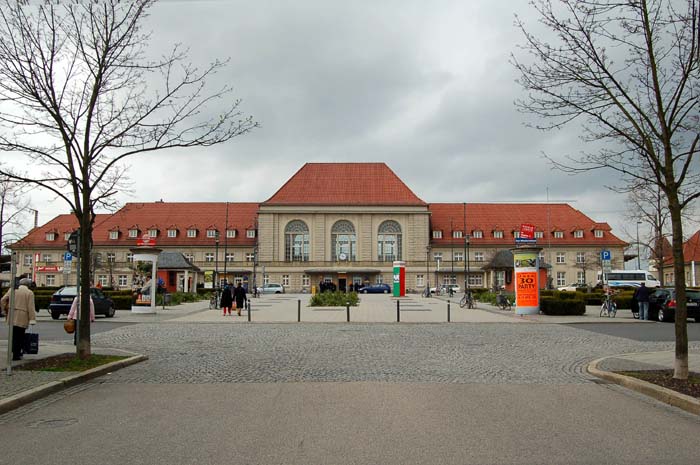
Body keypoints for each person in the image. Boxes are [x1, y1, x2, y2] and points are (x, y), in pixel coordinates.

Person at [1, 278, 37, 361]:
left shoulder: (12, 290)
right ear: (28, 285)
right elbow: (31, 307)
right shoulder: (29, 293)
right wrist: (32, 319)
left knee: (13, 335)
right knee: (20, 335)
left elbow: (3, 300)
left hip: (12, 315)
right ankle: (16, 354)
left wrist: (4, 311)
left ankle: (14, 351)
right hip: (22, 316)